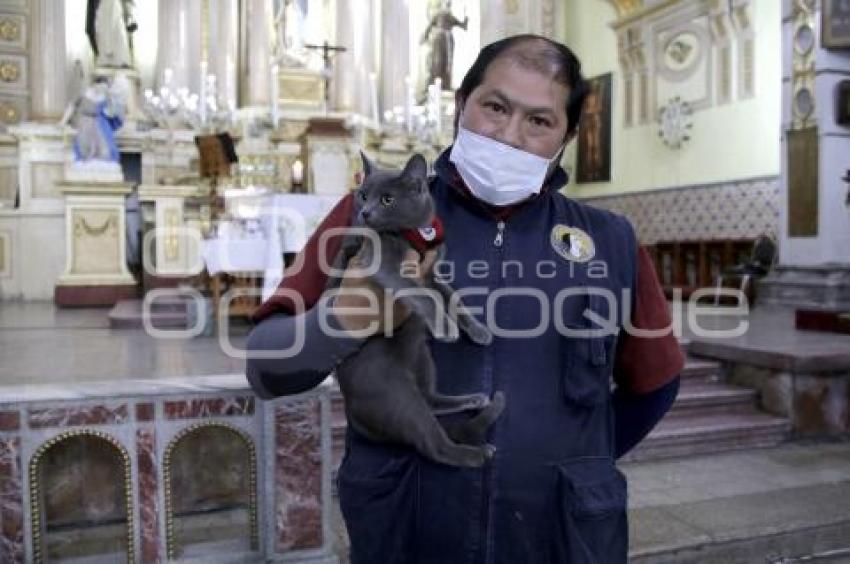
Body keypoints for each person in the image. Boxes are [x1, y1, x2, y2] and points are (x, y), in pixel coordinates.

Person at [246, 34, 684, 563]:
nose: (510, 136)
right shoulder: (368, 218)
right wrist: (344, 319)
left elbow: (656, 382)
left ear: (567, 137)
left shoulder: (610, 239)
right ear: (460, 105)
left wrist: (577, 463)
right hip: (409, 525)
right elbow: (266, 367)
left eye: (539, 122)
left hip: (563, 537)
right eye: (495, 107)